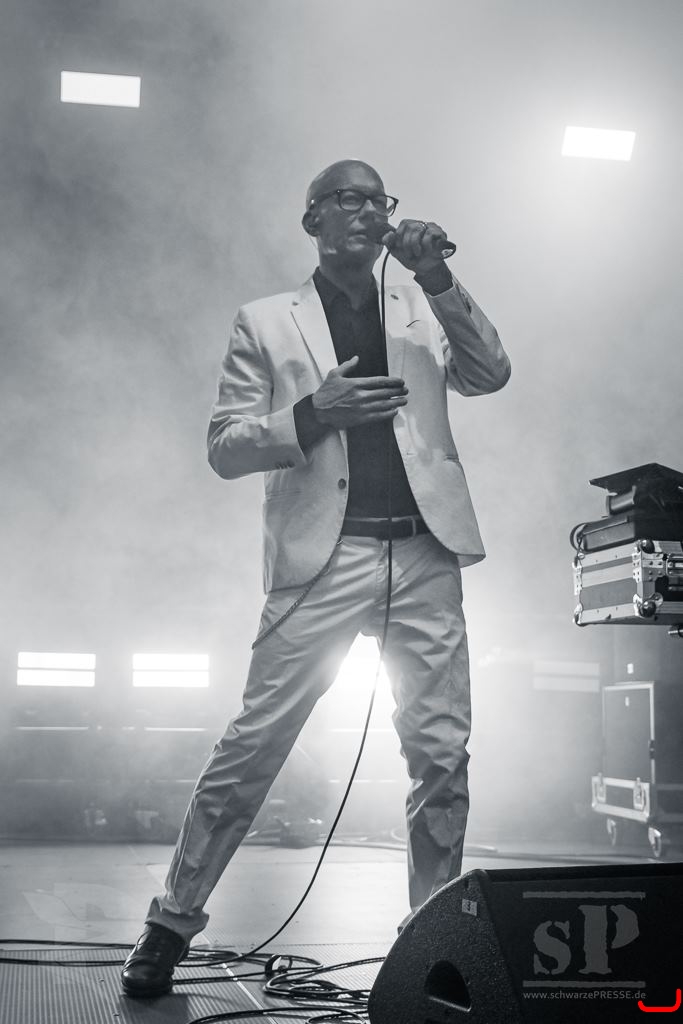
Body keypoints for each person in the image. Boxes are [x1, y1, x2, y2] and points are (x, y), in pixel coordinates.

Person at [121, 159, 511, 998]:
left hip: (423, 551)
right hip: (320, 560)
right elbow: (225, 447)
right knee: (252, 745)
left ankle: (432, 948)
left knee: (440, 757)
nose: (368, 210)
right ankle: (170, 923)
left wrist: (438, 277)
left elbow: (490, 373)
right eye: (348, 198)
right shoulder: (265, 320)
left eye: (379, 199)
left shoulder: (422, 302)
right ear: (313, 220)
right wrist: (311, 414)